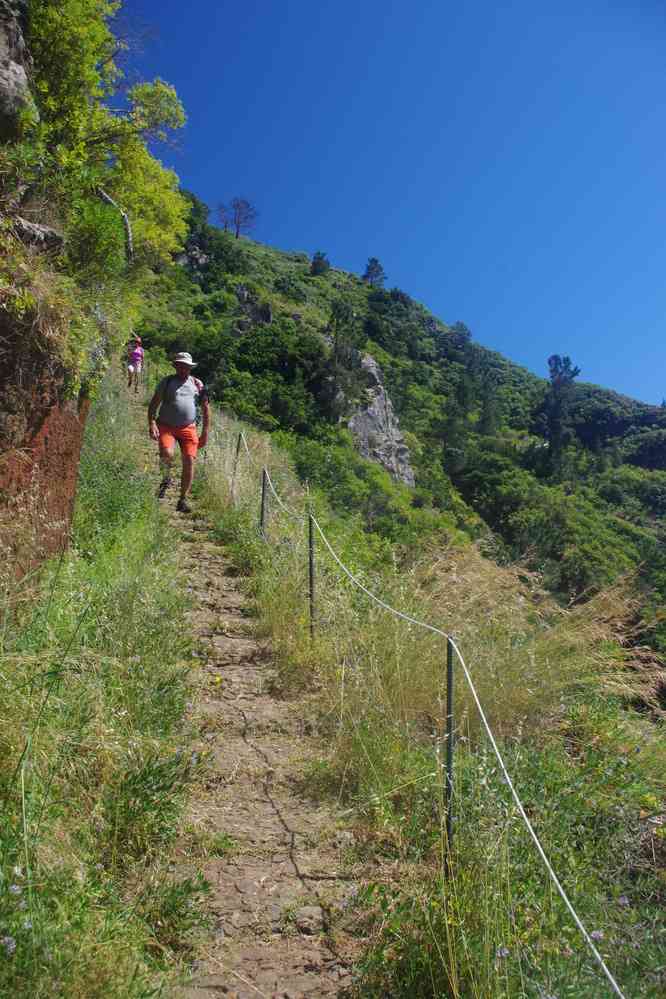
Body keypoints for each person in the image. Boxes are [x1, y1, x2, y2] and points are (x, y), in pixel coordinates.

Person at [147, 352, 210, 513]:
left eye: (186, 366)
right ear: (175, 366)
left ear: (190, 368)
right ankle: (166, 478)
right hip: (166, 426)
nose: (183, 369)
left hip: (188, 428)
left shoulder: (198, 384)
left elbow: (206, 408)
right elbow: (154, 404)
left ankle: (182, 500)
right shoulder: (167, 382)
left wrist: (205, 432)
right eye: (180, 365)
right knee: (167, 454)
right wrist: (152, 423)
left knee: (189, 460)